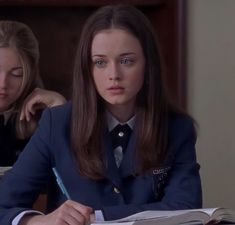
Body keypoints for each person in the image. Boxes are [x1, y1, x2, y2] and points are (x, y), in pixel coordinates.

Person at [0, 5, 202, 225]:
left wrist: (98, 217)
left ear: (148, 64)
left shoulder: (177, 127)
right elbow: (3, 204)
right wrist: (40, 222)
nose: (114, 75)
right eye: (100, 62)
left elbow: (186, 208)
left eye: (126, 61)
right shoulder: (56, 123)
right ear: (88, 68)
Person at [0, 20, 66, 166]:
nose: (3, 84)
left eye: (17, 74)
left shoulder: (41, 117)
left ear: (30, 75)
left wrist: (59, 106)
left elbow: (69, 172)